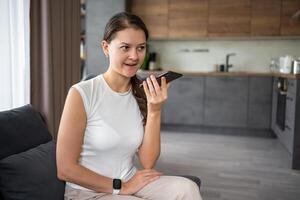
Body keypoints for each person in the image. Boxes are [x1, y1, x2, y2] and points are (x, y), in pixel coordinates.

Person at [56, 12, 202, 200]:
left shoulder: (140, 93)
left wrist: (155, 110)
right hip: (88, 192)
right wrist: (121, 187)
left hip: (129, 180)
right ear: (106, 47)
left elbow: (148, 161)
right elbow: (65, 169)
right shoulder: (81, 93)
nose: (134, 56)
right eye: (125, 47)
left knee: (187, 189)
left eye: (140, 48)